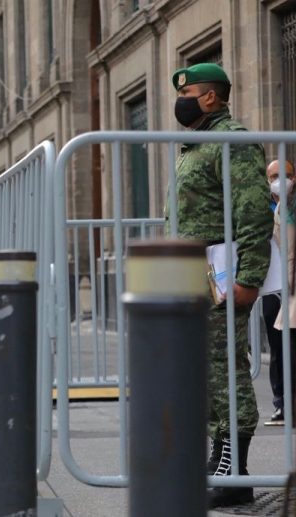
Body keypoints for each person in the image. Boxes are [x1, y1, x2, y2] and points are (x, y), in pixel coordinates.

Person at [170, 62, 272, 507]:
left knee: (225, 367)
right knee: (206, 371)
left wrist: (248, 278)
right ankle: (219, 461)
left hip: (221, 273)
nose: (183, 98)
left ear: (210, 97)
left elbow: (252, 213)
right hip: (195, 271)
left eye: (188, 90)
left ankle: (236, 471)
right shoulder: (196, 144)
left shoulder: (233, 140)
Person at [263, 160, 296, 426]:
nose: (280, 180)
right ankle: (280, 403)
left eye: (286, 175)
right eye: (274, 176)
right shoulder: (262, 207)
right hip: (272, 285)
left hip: (293, 285)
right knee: (277, 346)